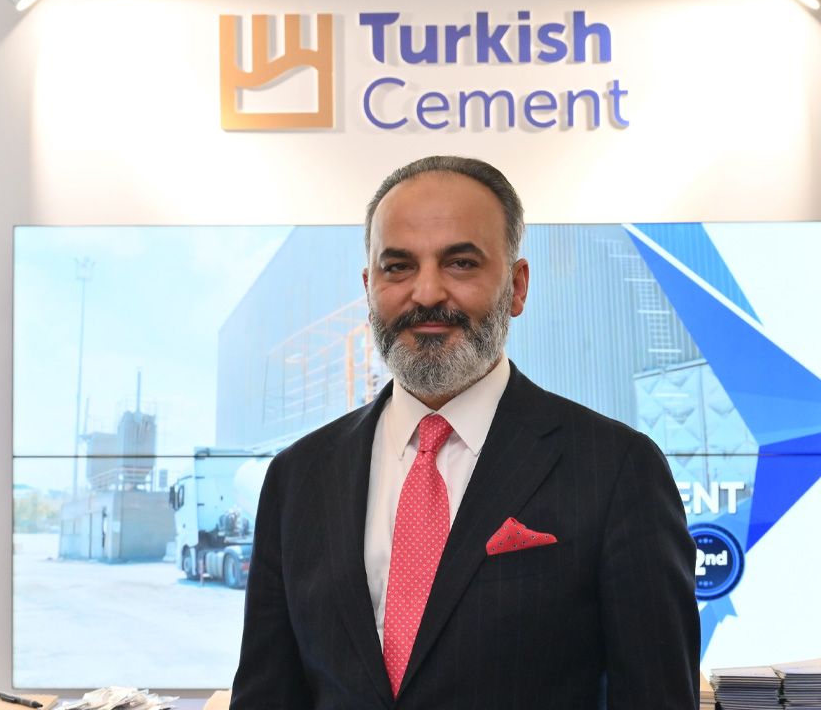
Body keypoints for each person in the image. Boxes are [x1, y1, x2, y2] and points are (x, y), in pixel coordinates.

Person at [230, 156, 700, 709]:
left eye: (460, 263)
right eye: (398, 267)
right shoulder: (299, 476)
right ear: (368, 286)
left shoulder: (616, 469)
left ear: (517, 287)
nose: (427, 293)